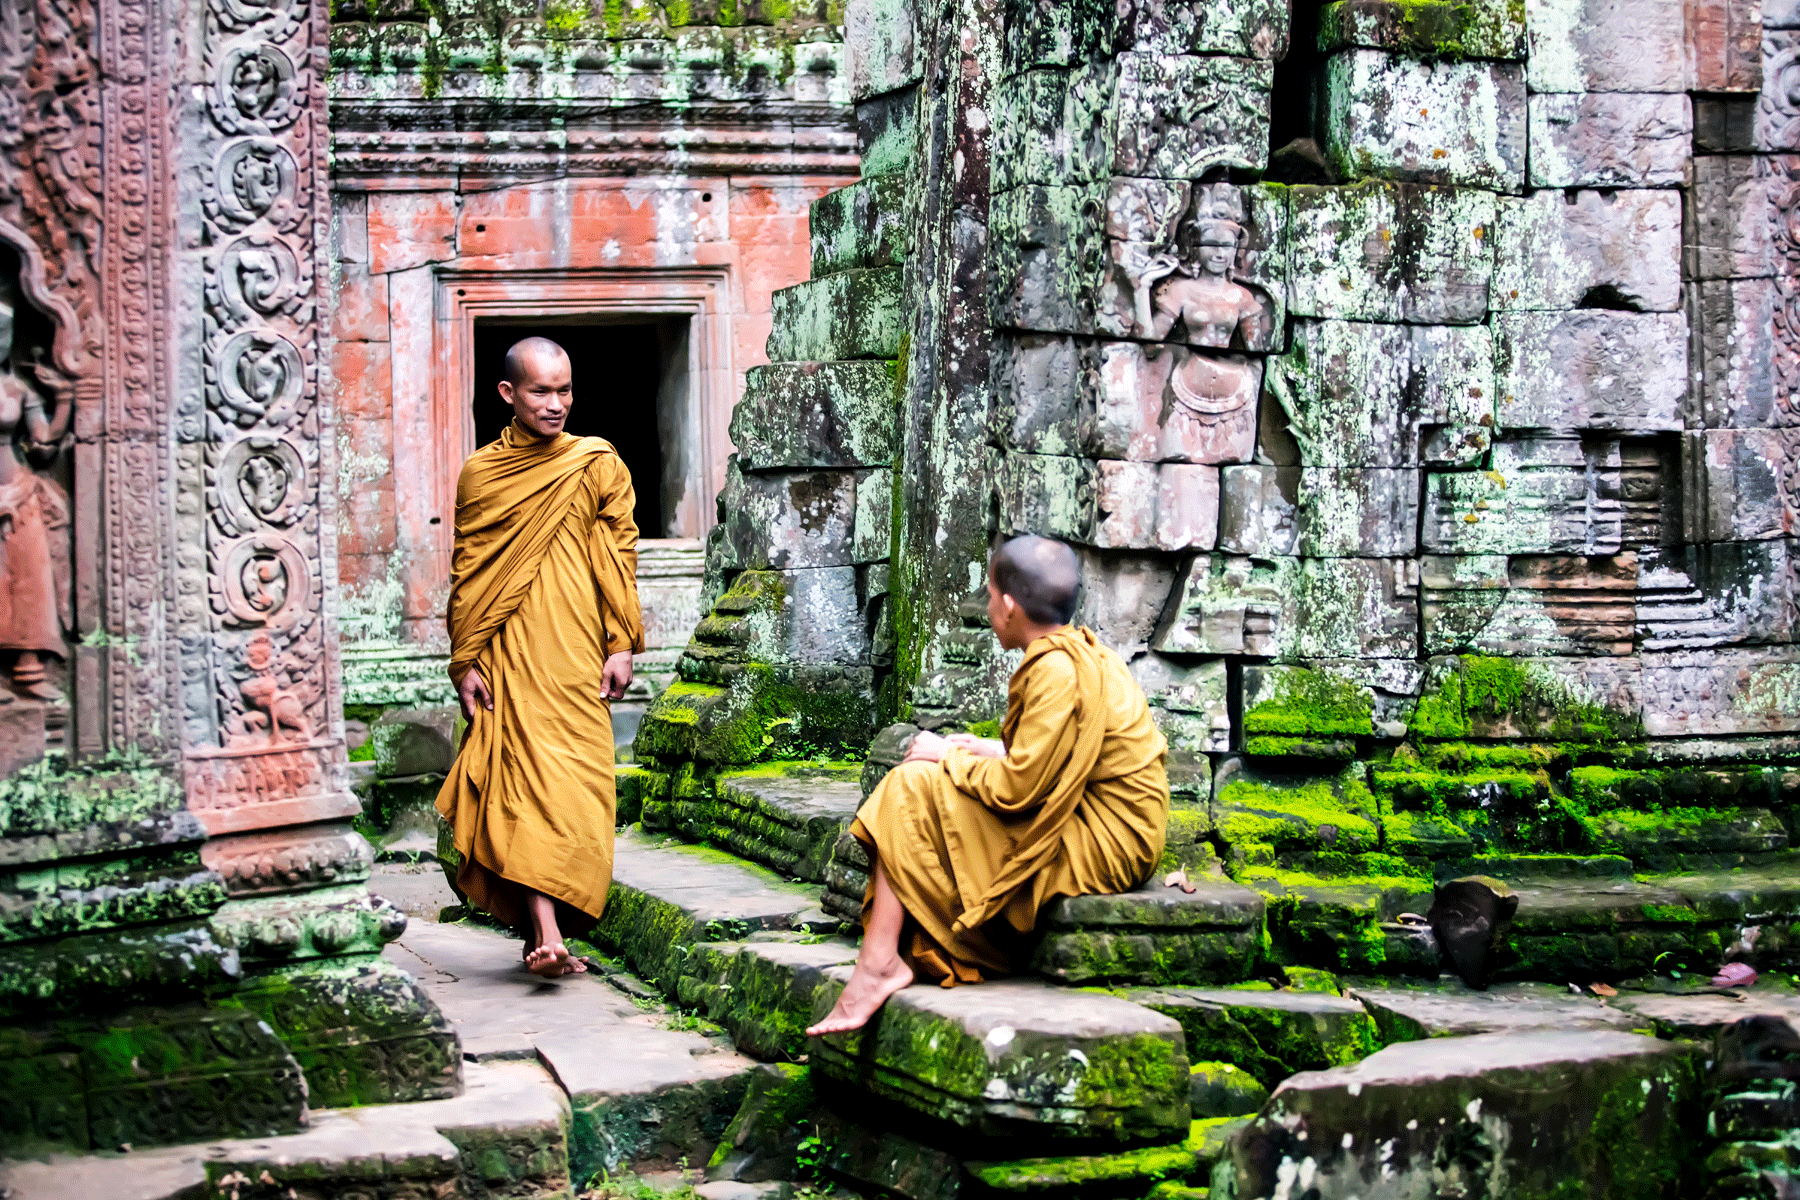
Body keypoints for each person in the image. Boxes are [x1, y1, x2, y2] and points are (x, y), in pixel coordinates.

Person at [806, 535, 1170, 1035]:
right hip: (1118, 828)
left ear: (1010, 606)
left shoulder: (1057, 670)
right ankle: (889, 956)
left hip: (1104, 842)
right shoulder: (1084, 652)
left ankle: (878, 964)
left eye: (990, 593)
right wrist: (989, 749)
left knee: (909, 785)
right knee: (925, 782)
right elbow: (1067, 751)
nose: (988, 604)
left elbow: (1019, 788)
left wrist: (949, 756)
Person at [435, 336, 644, 978]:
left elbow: (618, 552)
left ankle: (546, 927)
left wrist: (620, 641)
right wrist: (465, 660)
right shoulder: (482, 473)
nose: (557, 405)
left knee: (579, 788)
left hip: (577, 645)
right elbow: (469, 569)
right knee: (522, 780)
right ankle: (548, 935)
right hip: (510, 647)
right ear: (509, 394)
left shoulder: (595, 461)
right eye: (541, 392)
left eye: (565, 391)